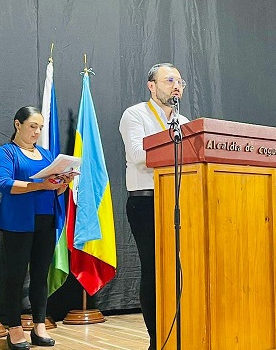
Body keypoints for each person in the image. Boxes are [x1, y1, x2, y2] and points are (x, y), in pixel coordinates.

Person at [119, 63, 189, 349]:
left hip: (179, 201)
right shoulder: (135, 114)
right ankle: (156, 339)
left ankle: (181, 333)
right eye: (169, 80)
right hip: (145, 202)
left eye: (179, 81)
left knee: (179, 268)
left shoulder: (184, 121)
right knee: (154, 269)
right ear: (152, 86)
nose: (176, 86)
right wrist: (178, 146)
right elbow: (138, 154)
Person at [0, 106, 70, 349]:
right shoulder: (7, 152)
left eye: (40, 127)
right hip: (17, 222)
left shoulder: (48, 155)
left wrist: (63, 183)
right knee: (15, 277)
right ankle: (14, 327)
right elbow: (4, 184)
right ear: (18, 124)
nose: (37, 132)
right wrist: (40, 186)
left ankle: (38, 324)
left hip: (45, 220)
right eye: (32, 126)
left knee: (40, 276)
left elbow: (55, 188)